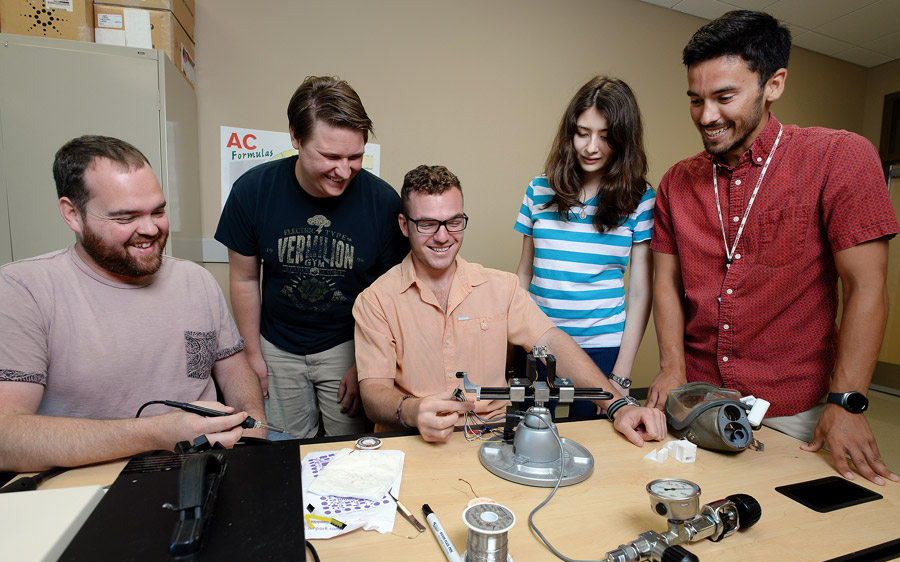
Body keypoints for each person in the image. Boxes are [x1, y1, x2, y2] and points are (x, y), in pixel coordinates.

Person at [647, 10, 900, 485]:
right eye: (695, 100)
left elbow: (867, 287)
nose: (707, 116)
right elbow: (666, 281)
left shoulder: (839, 157)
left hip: (797, 411)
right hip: (697, 402)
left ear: (774, 84)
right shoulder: (676, 182)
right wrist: (670, 367)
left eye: (725, 97)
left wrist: (847, 402)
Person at [0, 135, 267, 472]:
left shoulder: (195, 279)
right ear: (72, 215)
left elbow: (233, 368)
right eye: (125, 218)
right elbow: (6, 439)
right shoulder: (24, 289)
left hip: (204, 471)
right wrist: (158, 433)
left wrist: (253, 424)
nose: (150, 229)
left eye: (158, 211)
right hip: (87, 488)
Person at [353, 165, 666, 445]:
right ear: (404, 225)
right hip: (411, 442)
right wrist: (412, 410)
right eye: (427, 224)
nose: (443, 236)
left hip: (490, 441)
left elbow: (552, 341)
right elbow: (373, 393)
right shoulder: (376, 301)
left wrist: (617, 405)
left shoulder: (501, 288)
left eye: (454, 222)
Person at [215, 75, 407, 439]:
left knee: (349, 449)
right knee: (284, 448)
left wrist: (366, 364)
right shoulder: (253, 191)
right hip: (276, 344)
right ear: (295, 138)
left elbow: (390, 296)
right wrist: (252, 356)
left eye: (355, 156)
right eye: (330, 156)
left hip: (347, 344)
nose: (344, 170)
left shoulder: (382, 202)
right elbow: (243, 279)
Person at [515, 76, 654, 418]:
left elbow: (639, 293)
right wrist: (510, 346)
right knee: (530, 440)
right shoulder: (538, 190)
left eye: (605, 137)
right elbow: (522, 274)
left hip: (601, 350)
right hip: (537, 343)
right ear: (570, 133)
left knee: (593, 448)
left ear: (623, 140)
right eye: (582, 133)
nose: (591, 147)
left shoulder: (641, 199)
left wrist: (620, 374)